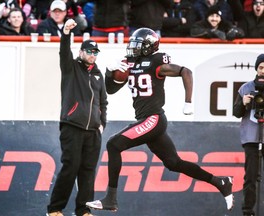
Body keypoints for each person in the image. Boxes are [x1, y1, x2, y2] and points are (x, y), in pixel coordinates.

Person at [85, 27, 234, 213]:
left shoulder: (156, 60)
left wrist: (188, 102)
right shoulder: (130, 62)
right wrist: (109, 71)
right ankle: (221, 182)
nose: (133, 47)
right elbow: (111, 90)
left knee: (114, 145)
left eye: (137, 44)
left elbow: (186, 71)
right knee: (174, 163)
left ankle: (111, 199)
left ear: (148, 46)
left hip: (153, 118)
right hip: (146, 120)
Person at [46, 18, 108, 216]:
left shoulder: (98, 75)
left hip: (93, 132)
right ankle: (55, 209)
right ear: (81, 52)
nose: (92, 55)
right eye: (89, 51)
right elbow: (64, 52)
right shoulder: (71, 67)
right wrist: (66, 33)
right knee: (70, 168)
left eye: (95, 52)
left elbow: (103, 102)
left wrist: (101, 124)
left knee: (88, 172)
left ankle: (83, 211)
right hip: (72, 125)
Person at [233, 54, 264, 216]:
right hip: (251, 137)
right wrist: (244, 103)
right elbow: (236, 113)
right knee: (250, 178)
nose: (263, 71)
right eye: (261, 67)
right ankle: (248, 211)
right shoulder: (245, 88)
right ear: (256, 68)